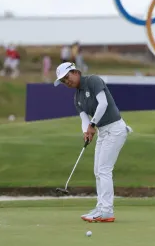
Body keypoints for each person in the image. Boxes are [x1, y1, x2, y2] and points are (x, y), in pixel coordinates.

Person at [54, 62, 133, 223]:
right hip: (103, 132)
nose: (66, 82)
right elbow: (84, 119)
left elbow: (103, 104)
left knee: (104, 170)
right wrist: (86, 130)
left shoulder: (93, 81)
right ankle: (101, 207)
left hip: (115, 129)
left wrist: (92, 124)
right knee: (98, 170)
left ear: (75, 72)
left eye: (67, 77)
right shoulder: (77, 97)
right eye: (63, 81)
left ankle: (106, 211)